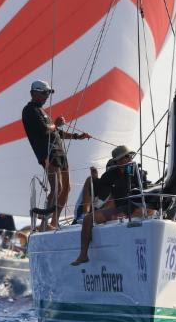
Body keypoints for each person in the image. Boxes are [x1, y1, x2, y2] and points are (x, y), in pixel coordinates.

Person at [22, 80, 91, 229]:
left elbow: (56, 132)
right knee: (56, 187)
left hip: (59, 152)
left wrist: (77, 136)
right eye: (44, 93)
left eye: (48, 93)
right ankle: (43, 224)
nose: (47, 96)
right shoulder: (29, 111)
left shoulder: (42, 111)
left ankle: (54, 221)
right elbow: (46, 129)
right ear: (34, 93)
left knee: (66, 187)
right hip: (48, 153)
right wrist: (56, 123)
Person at [72, 145, 151, 265]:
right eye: (126, 156)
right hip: (120, 209)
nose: (130, 158)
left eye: (130, 156)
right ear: (118, 161)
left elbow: (144, 194)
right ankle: (83, 255)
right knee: (88, 219)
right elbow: (99, 189)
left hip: (135, 207)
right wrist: (93, 178)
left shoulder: (136, 172)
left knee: (149, 211)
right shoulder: (111, 175)